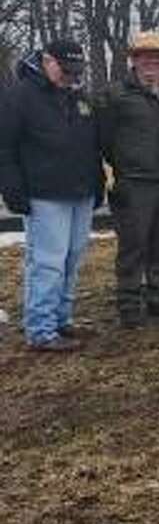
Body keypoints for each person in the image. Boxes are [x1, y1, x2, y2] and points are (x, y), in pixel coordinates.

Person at [0, 39, 105, 351]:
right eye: (64, 69)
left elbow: (91, 144)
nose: (69, 77)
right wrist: (12, 189)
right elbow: (5, 148)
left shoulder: (79, 97)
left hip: (81, 191)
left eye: (75, 71)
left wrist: (98, 182)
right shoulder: (19, 97)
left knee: (72, 258)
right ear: (46, 61)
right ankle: (41, 329)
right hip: (44, 193)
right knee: (47, 262)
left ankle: (62, 318)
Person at [95, 32, 159, 328]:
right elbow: (104, 138)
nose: (151, 61)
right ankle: (129, 302)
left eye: (157, 56)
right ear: (133, 60)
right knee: (133, 245)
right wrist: (125, 164)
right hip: (134, 183)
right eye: (144, 56)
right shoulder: (115, 96)